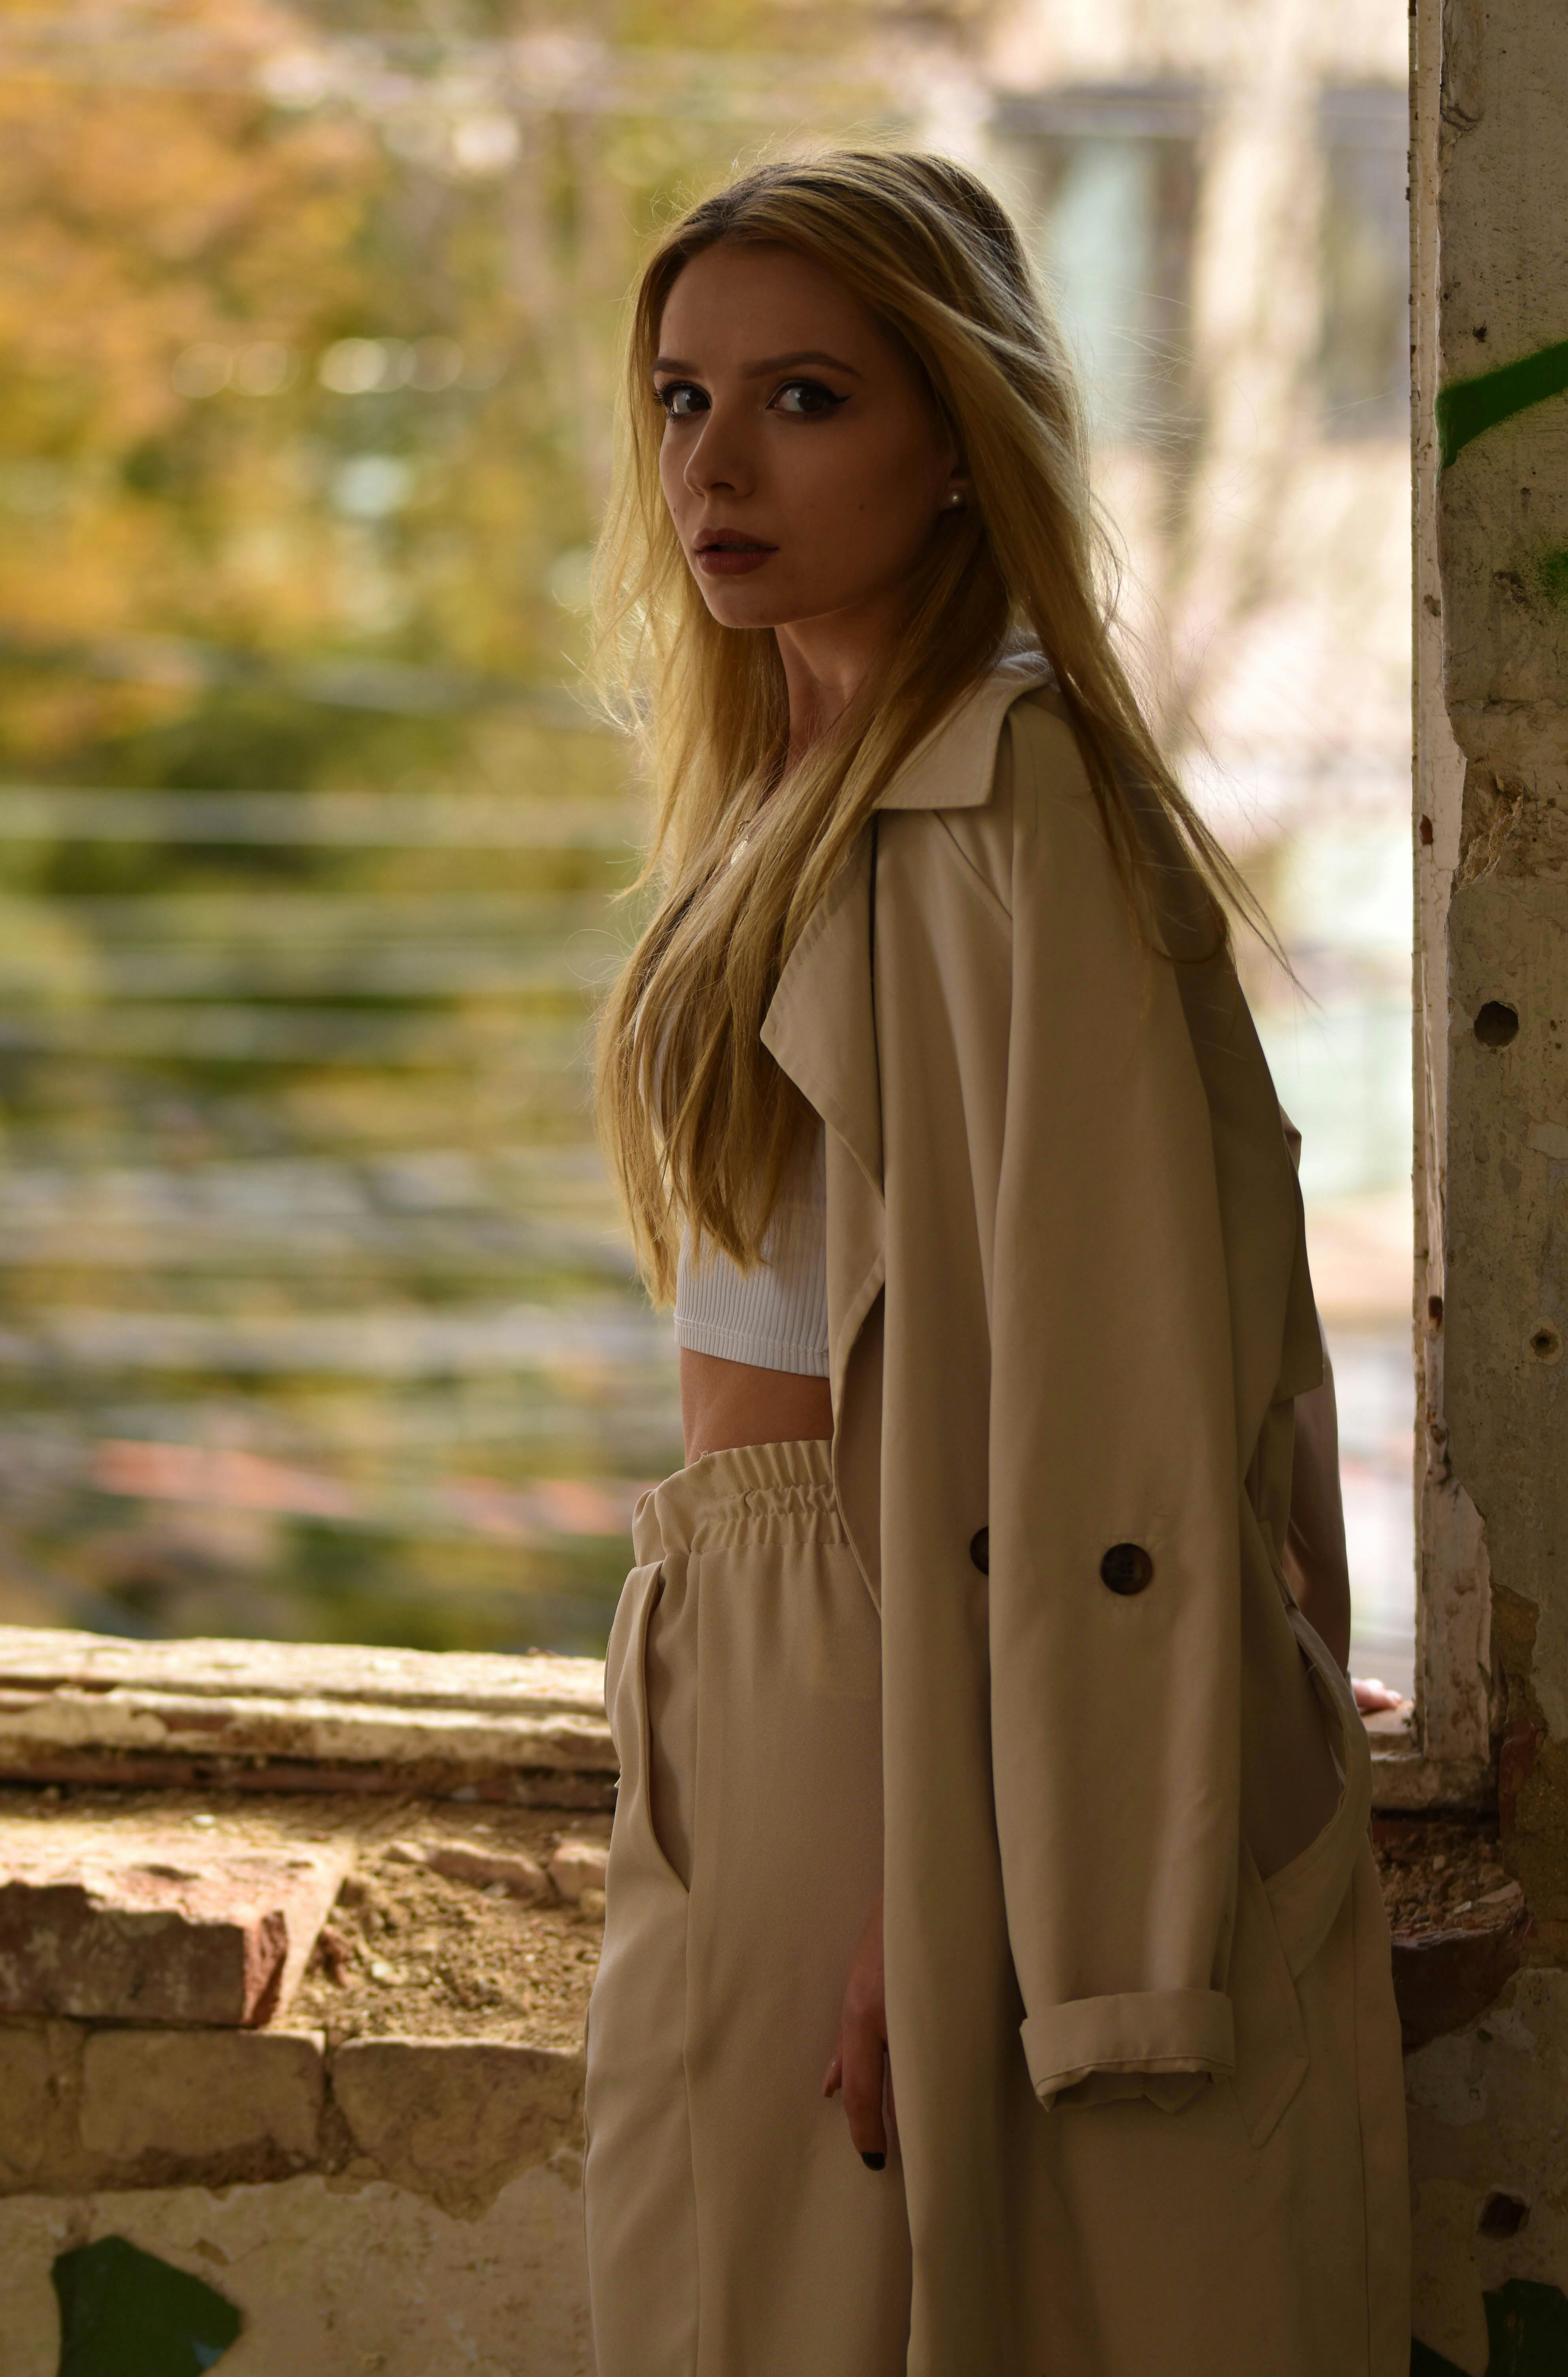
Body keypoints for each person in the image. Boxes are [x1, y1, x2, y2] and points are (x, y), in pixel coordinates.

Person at [582, 147, 1410, 2377]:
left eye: (806, 399)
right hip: (749, 1666)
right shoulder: (795, 792)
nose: (715, 466)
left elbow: (1118, 1368)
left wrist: (1009, 1868)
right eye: (680, 400)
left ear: (961, 439)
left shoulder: (1005, 799)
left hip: (896, 1693)